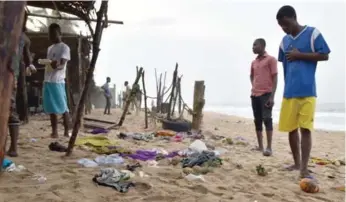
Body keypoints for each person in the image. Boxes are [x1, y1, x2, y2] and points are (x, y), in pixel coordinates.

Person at [276, 5, 330, 178]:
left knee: (305, 129)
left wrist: (301, 55)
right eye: (281, 26)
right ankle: (296, 163)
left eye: (286, 24)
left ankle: (304, 169)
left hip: (307, 90)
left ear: (293, 17)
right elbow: (284, 66)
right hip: (290, 91)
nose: (284, 29)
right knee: (291, 129)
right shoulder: (284, 42)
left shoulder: (313, 34)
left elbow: (325, 55)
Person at [7, 12, 36, 157]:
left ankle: (13, 148)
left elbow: (27, 58)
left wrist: (30, 66)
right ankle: (11, 147)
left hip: (10, 76)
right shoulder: (10, 33)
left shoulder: (22, 38)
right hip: (11, 75)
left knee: (10, 109)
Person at [250, 38, 278, 156]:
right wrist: (254, 86)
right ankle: (260, 146)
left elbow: (275, 77)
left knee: (267, 119)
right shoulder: (254, 62)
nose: (253, 47)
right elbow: (251, 76)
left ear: (262, 46)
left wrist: (272, 96)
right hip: (254, 94)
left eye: (255, 45)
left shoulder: (271, 60)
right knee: (257, 120)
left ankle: (269, 147)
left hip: (266, 94)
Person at [43, 23, 71, 138]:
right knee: (51, 108)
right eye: (50, 34)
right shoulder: (50, 48)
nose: (51, 36)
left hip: (58, 81)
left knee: (63, 107)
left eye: (53, 34)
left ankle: (66, 131)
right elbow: (49, 64)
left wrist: (56, 66)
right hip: (48, 80)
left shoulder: (64, 47)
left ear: (60, 34)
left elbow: (62, 64)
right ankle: (54, 132)